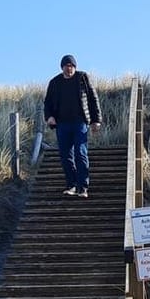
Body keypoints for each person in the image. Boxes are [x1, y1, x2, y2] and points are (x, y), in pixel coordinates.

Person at [44, 54, 102, 198]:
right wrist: (49, 117)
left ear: (75, 67)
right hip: (62, 124)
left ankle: (83, 187)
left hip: (80, 123)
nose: (69, 69)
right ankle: (72, 185)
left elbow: (93, 99)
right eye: (66, 66)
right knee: (65, 155)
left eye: (71, 66)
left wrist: (96, 120)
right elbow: (48, 103)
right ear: (62, 67)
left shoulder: (82, 78)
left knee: (80, 153)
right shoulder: (55, 82)